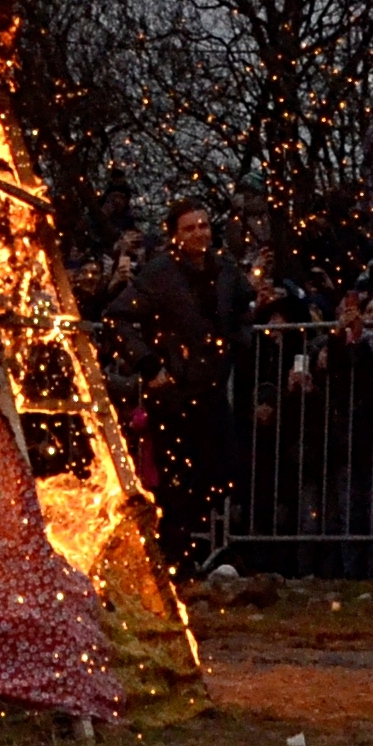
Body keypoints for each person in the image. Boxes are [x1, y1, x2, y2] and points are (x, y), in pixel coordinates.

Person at [128, 198, 253, 569]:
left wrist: (237, 341)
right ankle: (175, 561)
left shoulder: (225, 270)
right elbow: (118, 318)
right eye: (190, 228)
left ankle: (184, 550)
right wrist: (150, 365)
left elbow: (243, 310)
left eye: (203, 226)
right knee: (175, 481)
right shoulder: (158, 273)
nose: (199, 233)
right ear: (175, 235)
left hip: (211, 389)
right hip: (173, 393)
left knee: (225, 470)